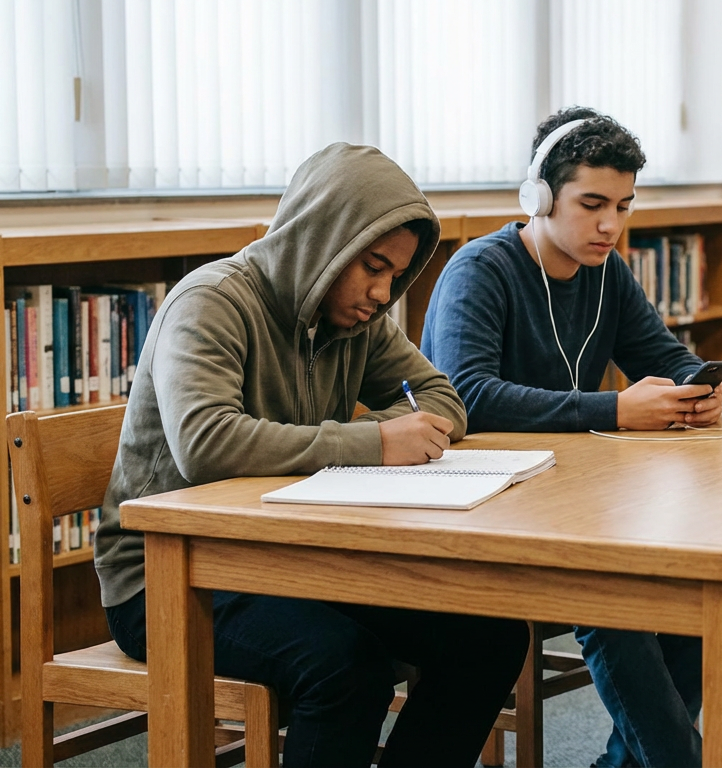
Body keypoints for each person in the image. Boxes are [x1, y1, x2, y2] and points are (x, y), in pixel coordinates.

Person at [96, 143, 530, 768]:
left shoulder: (356, 319)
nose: (382, 293)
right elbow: (205, 443)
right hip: (168, 576)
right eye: (373, 267)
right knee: (344, 669)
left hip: (289, 555)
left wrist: (383, 432)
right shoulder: (210, 302)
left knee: (487, 637)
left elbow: (442, 398)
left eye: (395, 276)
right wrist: (375, 442)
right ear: (322, 240)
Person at [421, 107, 718, 767]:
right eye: (592, 204)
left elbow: (664, 357)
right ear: (539, 196)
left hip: (571, 502)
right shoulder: (481, 269)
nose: (611, 225)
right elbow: (467, 396)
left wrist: (698, 388)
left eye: (623, 206)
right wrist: (614, 409)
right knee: (614, 599)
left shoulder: (606, 272)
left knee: (693, 590)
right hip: (480, 511)